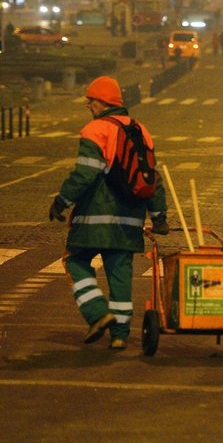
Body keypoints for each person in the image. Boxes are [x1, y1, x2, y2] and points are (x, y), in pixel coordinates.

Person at [48, 76, 168, 350]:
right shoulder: (141, 130)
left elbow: (86, 172)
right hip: (130, 220)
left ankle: (97, 313)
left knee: (75, 261)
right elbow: (152, 177)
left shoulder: (96, 130)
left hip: (95, 218)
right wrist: (159, 215)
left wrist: (62, 199)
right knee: (120, 273)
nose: (88, 105)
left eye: (91, 100)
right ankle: (119, 335)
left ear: (102, 102)